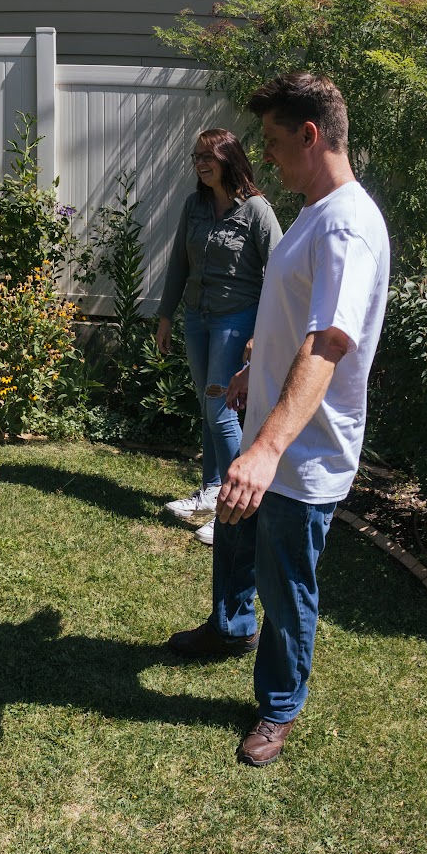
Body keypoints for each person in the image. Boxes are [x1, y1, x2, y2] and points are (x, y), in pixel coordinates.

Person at [202, 72, 390, 768]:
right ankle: (227, 627)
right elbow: (298, 322)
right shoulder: (316, 209)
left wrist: (268, 445)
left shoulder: (346, 226)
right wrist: (258, 374)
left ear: (311, 136)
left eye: (277, 143)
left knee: (286, 585)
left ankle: (278, 705)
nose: (269, 158)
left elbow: (330, 341)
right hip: (272, 426)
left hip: (302, 451)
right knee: (234, 539)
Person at [154, 128, 281, 555]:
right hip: (197, 317)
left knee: (220, 408)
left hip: (235, 319)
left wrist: (260, 336)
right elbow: (178, 263)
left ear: (229, 158)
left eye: (208, 156)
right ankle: (211, 489)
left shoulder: (257, 211)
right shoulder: (195, 205)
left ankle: (236, 508)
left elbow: (280, 275)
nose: (200, 163)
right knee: (207, 406)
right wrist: (166, 315)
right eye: (196, 157)